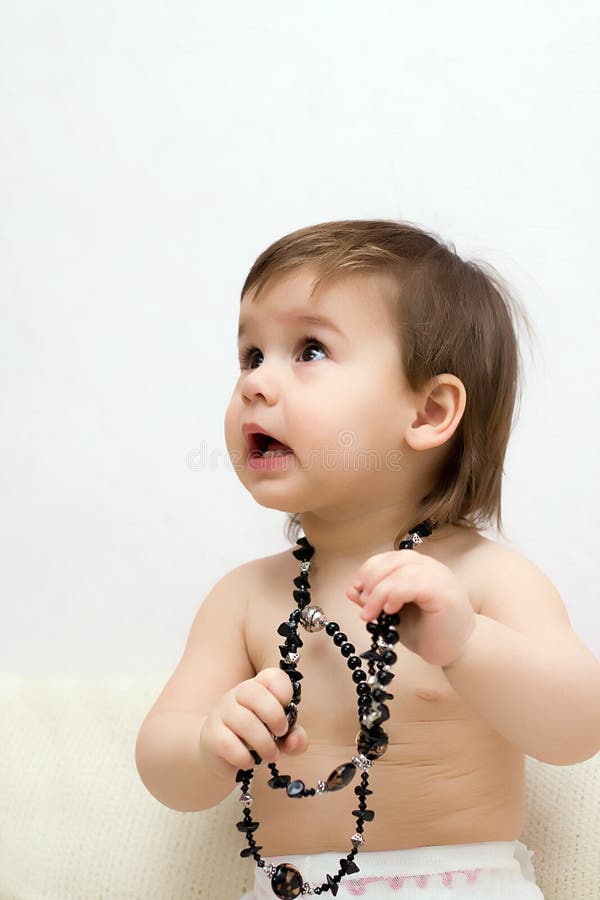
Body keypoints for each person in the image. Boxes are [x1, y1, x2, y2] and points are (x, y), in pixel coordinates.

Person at [135, 220, 600, 899]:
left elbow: (577, 729)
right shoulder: (244, 599)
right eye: (250, 354)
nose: (256, 384)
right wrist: (208, 743)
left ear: (430, 411)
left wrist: (467, 644)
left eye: (310, 349)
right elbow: (159, 763)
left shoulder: (483, 579)